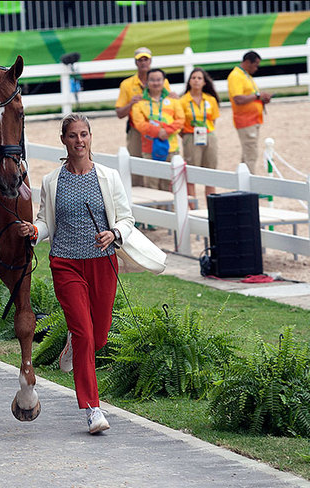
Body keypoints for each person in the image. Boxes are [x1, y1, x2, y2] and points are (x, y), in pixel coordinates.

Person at [17, 113, 135, 434]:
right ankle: (92, 408)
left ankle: (74, 342)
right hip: (66, 263)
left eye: (84, 134)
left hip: (102, 263)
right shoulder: (53, 181)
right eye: (72, 135)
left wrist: (114, 234)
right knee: (85, 333)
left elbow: (126, 219)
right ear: (64, 140)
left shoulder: (108, 177)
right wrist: (34, 231)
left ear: (90, 138)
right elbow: (46, 221)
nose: (79, 141)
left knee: (98, 336)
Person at [115, 47, 174, 187]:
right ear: (135, 62)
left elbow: (168, 103)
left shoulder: (162, 81)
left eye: (145, 59)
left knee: (159, 161)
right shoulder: (127, 84)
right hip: (136, 130)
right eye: (140, 60)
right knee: (136, 163)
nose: (143, 63)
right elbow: (119, 113)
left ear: (150, 61)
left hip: (158, 129)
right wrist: (131, 104)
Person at [130, 68, 185, 192]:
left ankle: (169, 211)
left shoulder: (173, 101)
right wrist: (157, 132)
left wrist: (167, 131)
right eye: (152, 80)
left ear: (164, 81)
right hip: (149, 149)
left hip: (171, 148)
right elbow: (139, 124)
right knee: (151, 184)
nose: (156, 83)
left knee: (170, 185)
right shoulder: (139, 102)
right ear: (147, 82)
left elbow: (181, 120)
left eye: (159, 80)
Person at [179, 67, 220, 206]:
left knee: (210, 171)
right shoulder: (183, 101)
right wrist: (186, 136)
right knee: (191, 173)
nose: (196, 81)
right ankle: (194, 207)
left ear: (204, 82)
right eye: (193, 78)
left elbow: (213, 120)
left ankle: (211, 205)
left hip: (209, 135)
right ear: (189, 81)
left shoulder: (211, 100)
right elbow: (179, 122)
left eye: (199, 78)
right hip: (190, 136)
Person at [227, 50, 273, 174]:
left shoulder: (245, 75)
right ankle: (250, 186)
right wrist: (258, 96)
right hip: (246, 121)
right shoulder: (236, 76)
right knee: (251, 155)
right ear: (248, 62)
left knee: (248, 154)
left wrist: (262, 99)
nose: (257, 68)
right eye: (255, 65)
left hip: (253, 120)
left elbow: (249, 97)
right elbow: (238, 99)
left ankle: (243, 185)